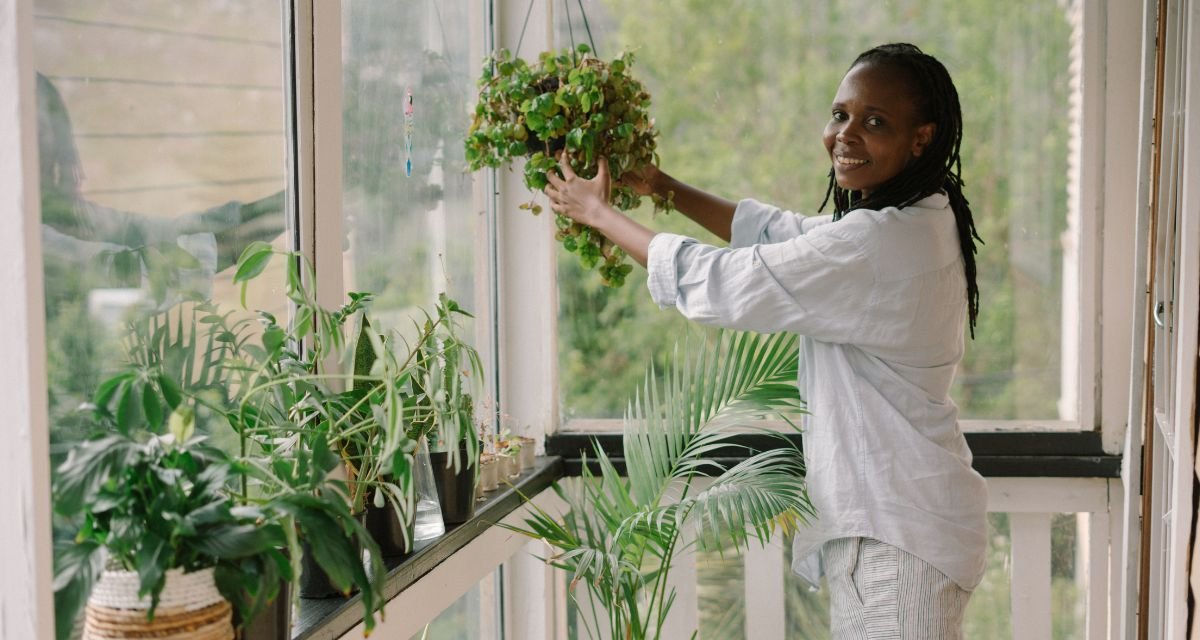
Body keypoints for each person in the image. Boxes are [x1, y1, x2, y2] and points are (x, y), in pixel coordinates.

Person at [543, 42, 987, 639]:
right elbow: (785, 236)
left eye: (875, 121)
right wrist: (659, 185)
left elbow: (730, 280)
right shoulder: (917, 217)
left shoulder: (878, 243)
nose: (845, 135)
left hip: (895, 538)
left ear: (922, 138)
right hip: (903, 526)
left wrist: (600, 214)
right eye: (840, 115)